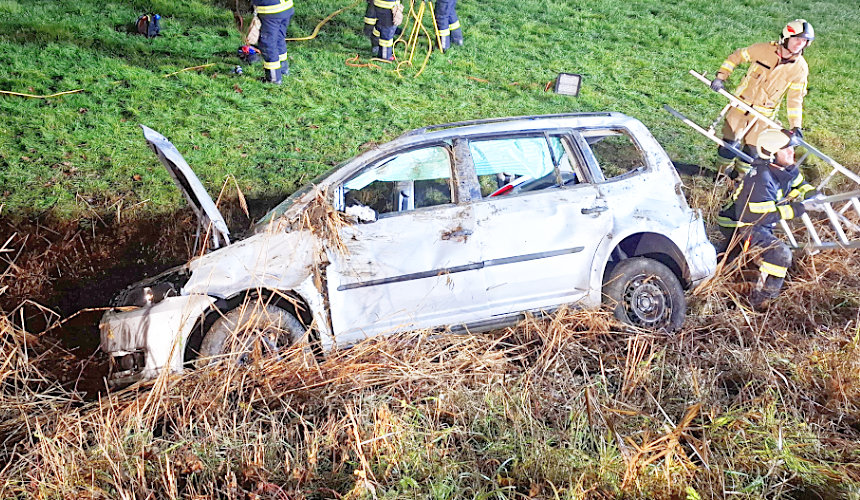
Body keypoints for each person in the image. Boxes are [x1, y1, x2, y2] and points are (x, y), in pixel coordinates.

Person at [715, 129, 820, 309]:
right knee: (780, 254)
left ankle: (728, 270)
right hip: (741, 223)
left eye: (791, 148)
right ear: (771, 154)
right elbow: (763, 216)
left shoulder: (786, 168)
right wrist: (800, 208)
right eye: (785, 149)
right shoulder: (762, 180)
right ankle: (761, 301)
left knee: (733, 258)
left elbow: (800, 184)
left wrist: (813, 195)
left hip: (755, 221)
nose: (791, 152)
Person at [710, 19, 814, 178]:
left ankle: (738, 181)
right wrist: (721, 77)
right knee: (728, 146)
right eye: (797, 39)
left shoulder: (800, 68)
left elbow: (795, 100)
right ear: (786, 38)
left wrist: (796, 126)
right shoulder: (763, 50)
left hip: (763, 117)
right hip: (740, 107)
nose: (800, 44)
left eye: (804, 41)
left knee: (751, 152)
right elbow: (736, 57)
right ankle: (719, 176)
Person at [253, 0, 294, 84]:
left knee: (268, 44)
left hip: (271, 10)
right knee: (279, 38)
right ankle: (283, 70)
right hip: (286, 7)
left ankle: (273, 79)